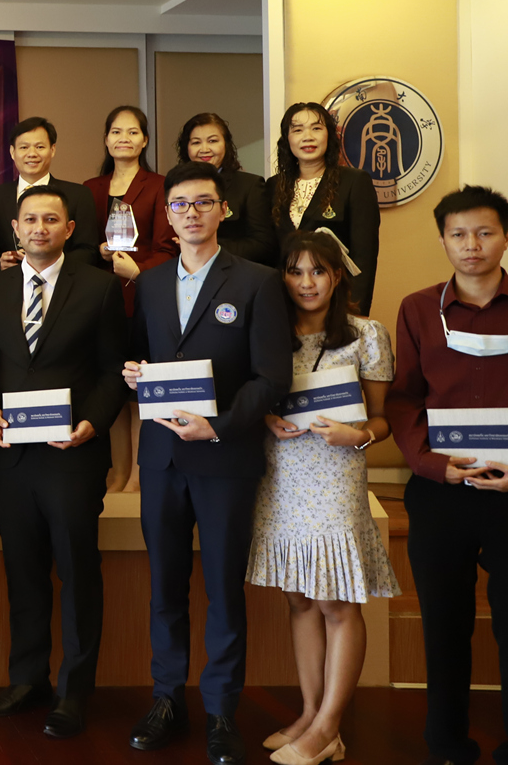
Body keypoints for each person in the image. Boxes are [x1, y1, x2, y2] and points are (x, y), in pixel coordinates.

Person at [122, 160, 292, 765]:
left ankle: (221, 710)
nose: (191, 212)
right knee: (165, 588)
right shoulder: (148, 283)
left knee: (223, 588)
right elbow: (137, 357)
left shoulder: (257, 281)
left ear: (223, 210)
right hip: (163, 459)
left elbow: (272, 377)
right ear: (167, 217)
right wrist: (132, 373)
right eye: (180, 204)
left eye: (203, 202)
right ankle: (166, 699)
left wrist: (217, 426)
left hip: (225, 458)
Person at [0, 185, 128, 739]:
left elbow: (113, 370)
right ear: (15, 228)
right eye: (30, 220)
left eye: (51, 220)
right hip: (11, 457)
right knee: (23, 570)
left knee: (77, 571)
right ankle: (27, 679)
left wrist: (93, 423)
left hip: (72, 455)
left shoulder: (100, 287)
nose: (40, 228)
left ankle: (74, 690)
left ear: (69, 229)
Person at [246, 230, 398, 765]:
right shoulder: (268, 332)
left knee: (335, 600)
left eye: (318, 271)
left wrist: (359, 435)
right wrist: (266, 418)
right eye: (295, 271)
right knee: (299, 598)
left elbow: (382, 420)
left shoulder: (365, 333)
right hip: (280, 476)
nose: (306, 282)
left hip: (335, 475)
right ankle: (311, 714)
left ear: (337, 276)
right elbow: (254, 398)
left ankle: (330, 725)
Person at [385, 186, 508, 765]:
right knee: (444, 624)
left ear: (504, 237)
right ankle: (447, 743)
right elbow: (404, 399)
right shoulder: (417, 309)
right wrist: (433, 464)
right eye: (458, 234)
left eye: (484, 232)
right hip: (441, 491)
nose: (471, 245)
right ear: (442, 241)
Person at [85, 106, 177, 494]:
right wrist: (98, 252)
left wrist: (137, 270)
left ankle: (138, 476)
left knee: (138, 388)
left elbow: (169, 248)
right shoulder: (89, 188)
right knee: (112, 389)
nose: (124, 138)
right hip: (100, 302)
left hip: (142, 298)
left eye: (133, 132)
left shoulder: (159, 185)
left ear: (144, 140)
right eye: (116, 132)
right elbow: (78, 246)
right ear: (106, 139)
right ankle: (118, 472)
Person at [265, 102, 380, 313]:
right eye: (297, 130)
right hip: (283, 302)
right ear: (287, 138)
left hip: (336, 302)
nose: (307, 137)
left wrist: (357, 310)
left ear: (329, 135)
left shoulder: (354, 182)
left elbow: (365, 255)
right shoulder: (273, 186)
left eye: (316, 128)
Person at [0, 116, 103, 270]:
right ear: (12, 152)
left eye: (39, 147)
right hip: (11, 280)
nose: (32, 154)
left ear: (52, 150)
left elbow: (88, 251)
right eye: (24, 147)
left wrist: (47, 266)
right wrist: (0, 263)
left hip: (63, 280)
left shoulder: (78, 195)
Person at [177, 112, 275, 265]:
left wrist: (208, 246)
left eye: (212, 141)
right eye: (196, 142)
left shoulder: (250, 185)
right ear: (186, 148)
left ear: (226, 144)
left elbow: (263, 245)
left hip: (236, 271)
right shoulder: (176, 187)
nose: (204, 149)